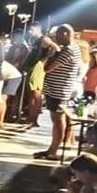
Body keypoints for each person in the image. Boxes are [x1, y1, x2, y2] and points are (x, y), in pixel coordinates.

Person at [34, 24, 83, 160]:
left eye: (58, 35)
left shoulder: (68, 50)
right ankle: (51, 149)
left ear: (66, 34)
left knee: (58, 120)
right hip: (56, 88)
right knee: (56, 120)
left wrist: (52, 54)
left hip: (59, 90)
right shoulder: (71, 48)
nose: (56, 38)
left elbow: (48, 67)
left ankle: (54, 151)